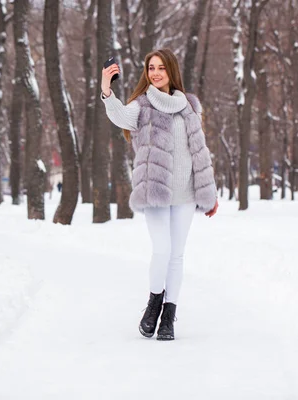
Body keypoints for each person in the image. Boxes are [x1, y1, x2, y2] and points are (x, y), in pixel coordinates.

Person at [101, 49, 218, 341]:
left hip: (187, 192)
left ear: (171, 71)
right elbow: (119, 117)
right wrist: (106, 88)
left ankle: (168, 316)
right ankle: (153, 304)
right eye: (151, 68)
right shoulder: (141, 105)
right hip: (155, 189)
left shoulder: (190, 106)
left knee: (177, 256)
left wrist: (209, 192)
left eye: (161, 68)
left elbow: (199, 151)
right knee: (162, 250)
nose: (155, 73)